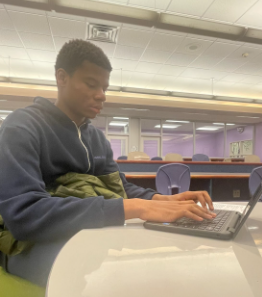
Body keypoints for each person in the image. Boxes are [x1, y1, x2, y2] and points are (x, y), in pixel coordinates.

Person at [0, 39, 215, 286]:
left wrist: (160, 200)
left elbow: (120, 190)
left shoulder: (96, 138)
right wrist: (134, 208)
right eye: (92, 84)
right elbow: (24, 216)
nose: (102, 95)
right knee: (97, 275)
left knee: (150, 258)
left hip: (83, 232)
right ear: (62, 78)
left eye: (104, 87)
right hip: (25, 244)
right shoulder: (22, 126)